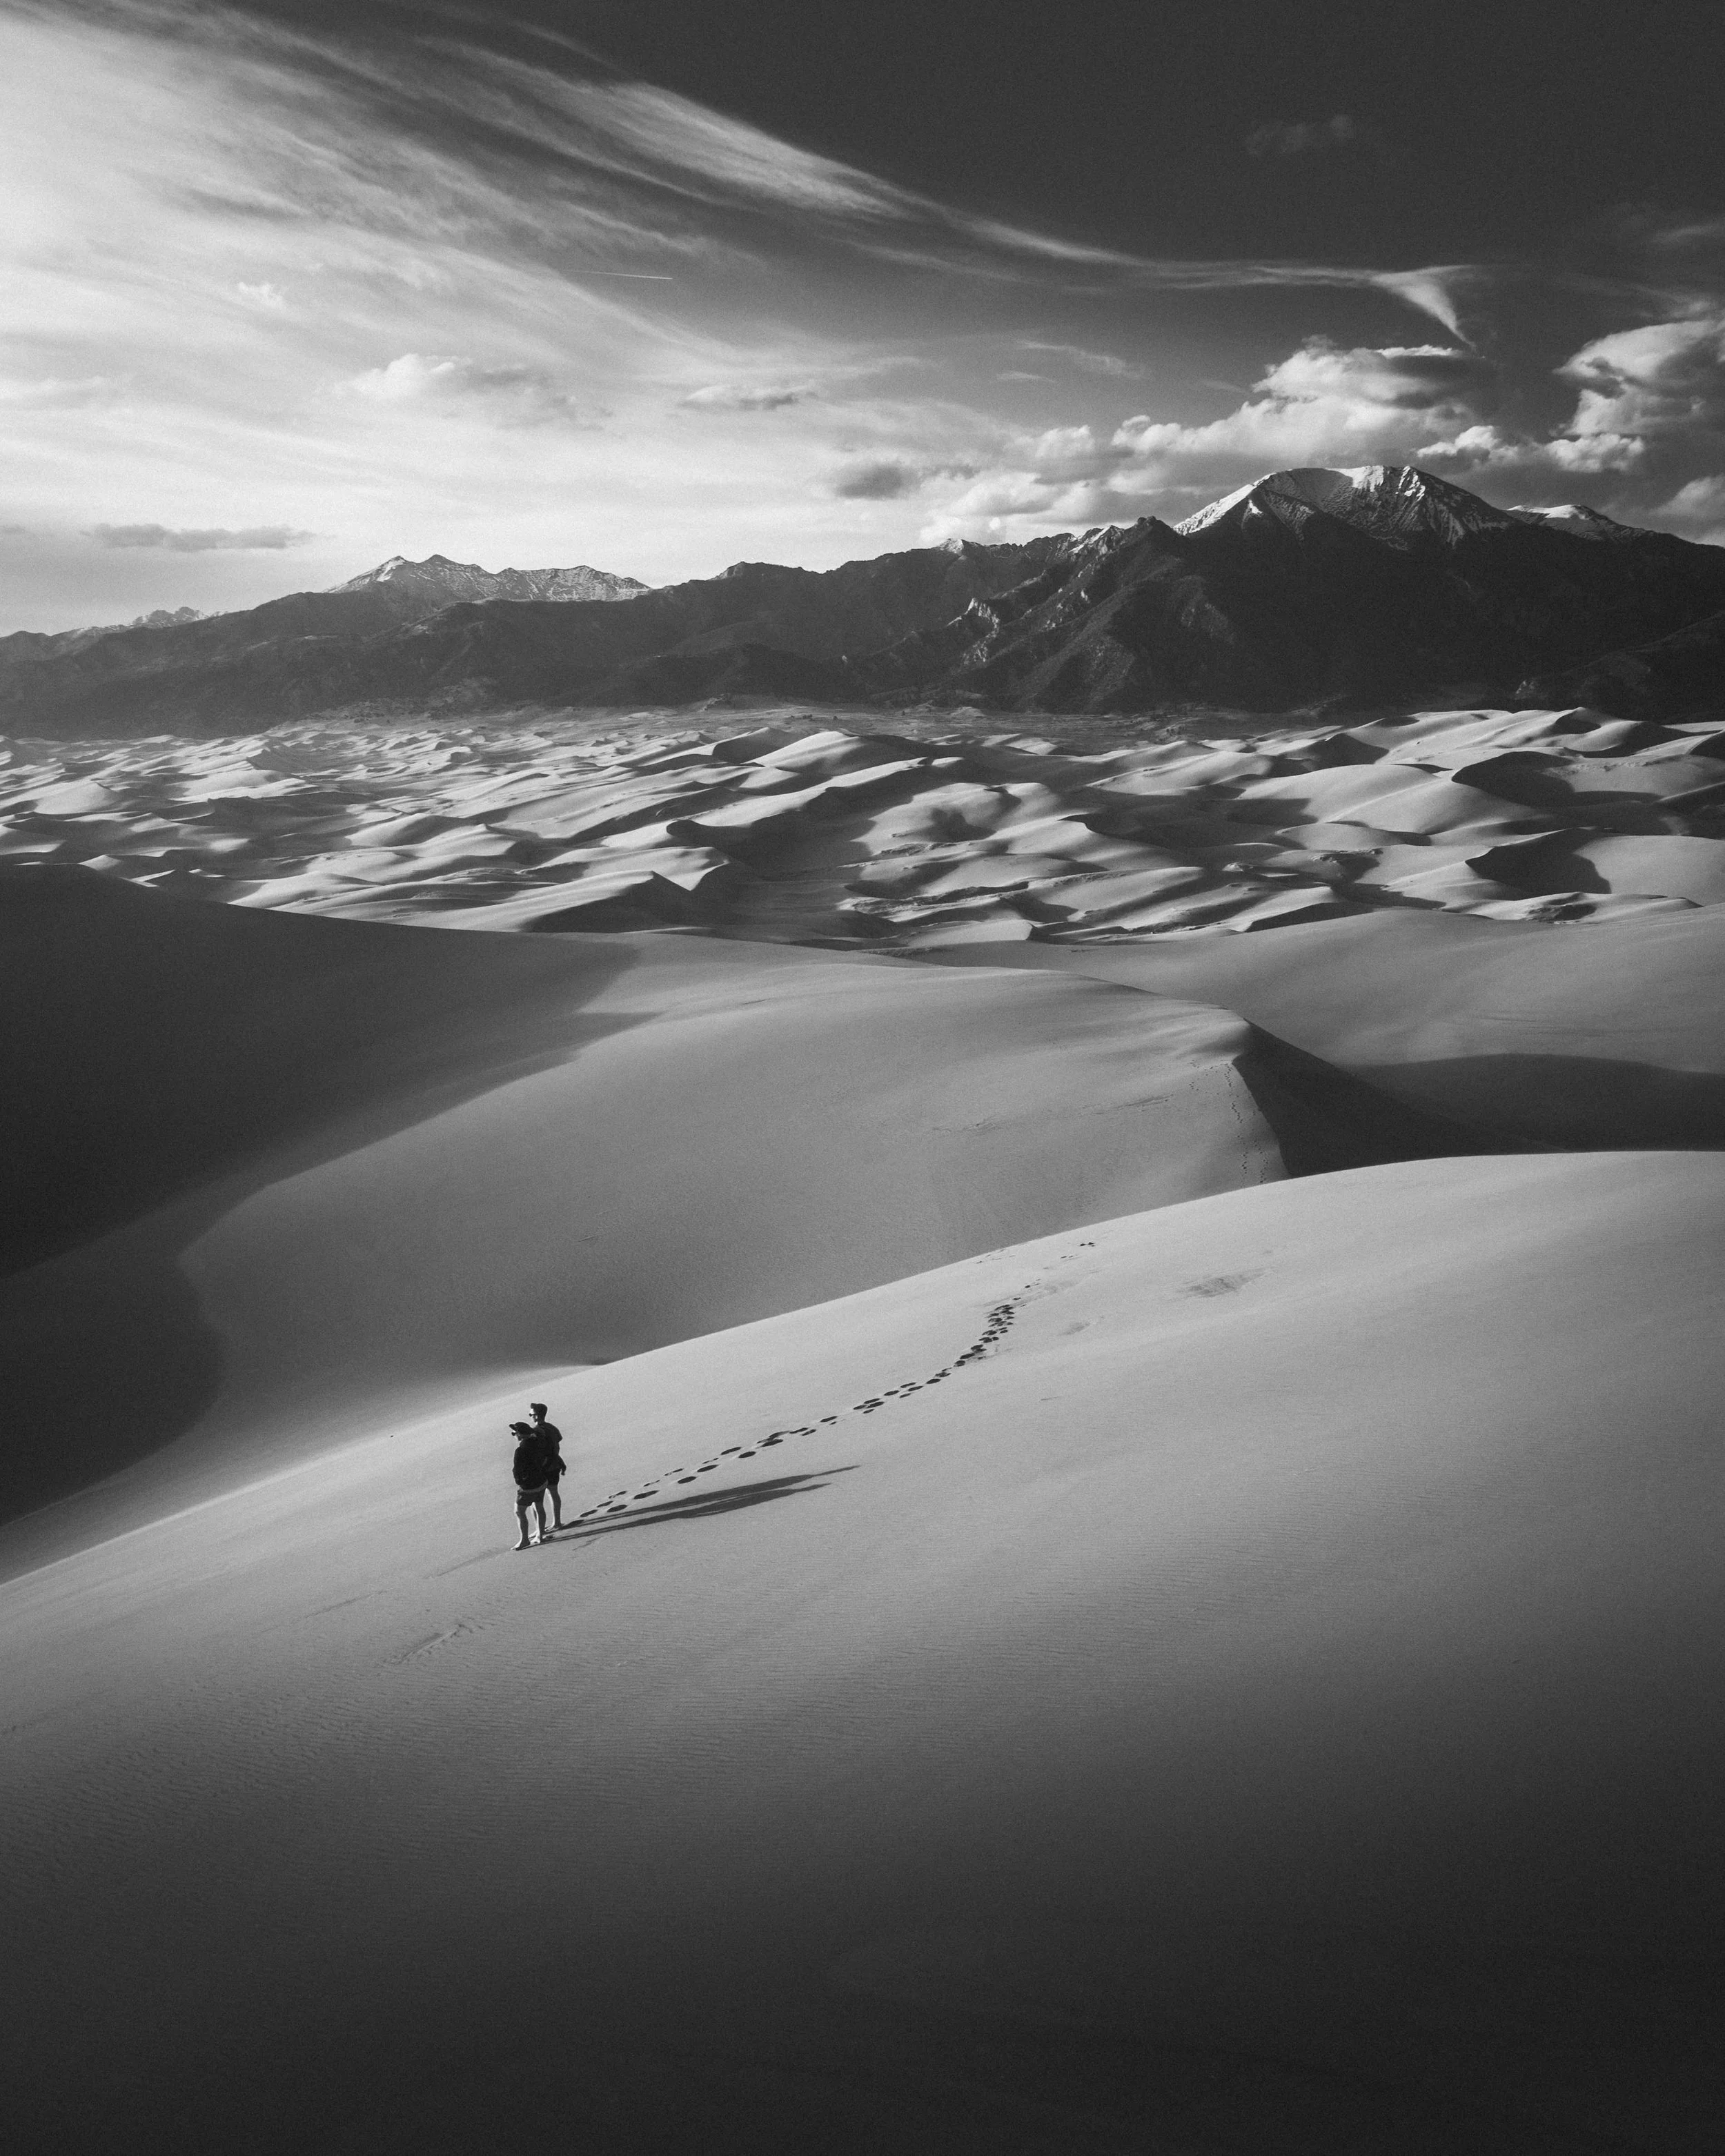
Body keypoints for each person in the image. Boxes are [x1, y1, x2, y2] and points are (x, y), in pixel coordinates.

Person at [509, 1419, 551, 1550]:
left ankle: (524, 1540)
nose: (515, 1435)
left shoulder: (521, 1450)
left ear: (520, 1435)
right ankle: (541, 1534)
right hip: (542, 1481)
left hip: (529, 1486)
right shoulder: (538, 1443)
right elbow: (545, 1459)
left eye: (515, 1433)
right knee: (539, 1506)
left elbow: (517, 1470)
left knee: (519, 1511)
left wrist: (520, 1482)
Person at [529, 1401, 566, 1531]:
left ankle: (539, 1529)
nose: (531, 1416)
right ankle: (557, 1522)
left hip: (544, 1467)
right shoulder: (552, 1428)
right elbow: (557, 1443)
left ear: (537, 1416)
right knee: (553, 1493)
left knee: (536, 1498)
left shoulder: (536, 1431)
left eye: (532, 1414)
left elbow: (536, 1450)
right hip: (555, 1464)